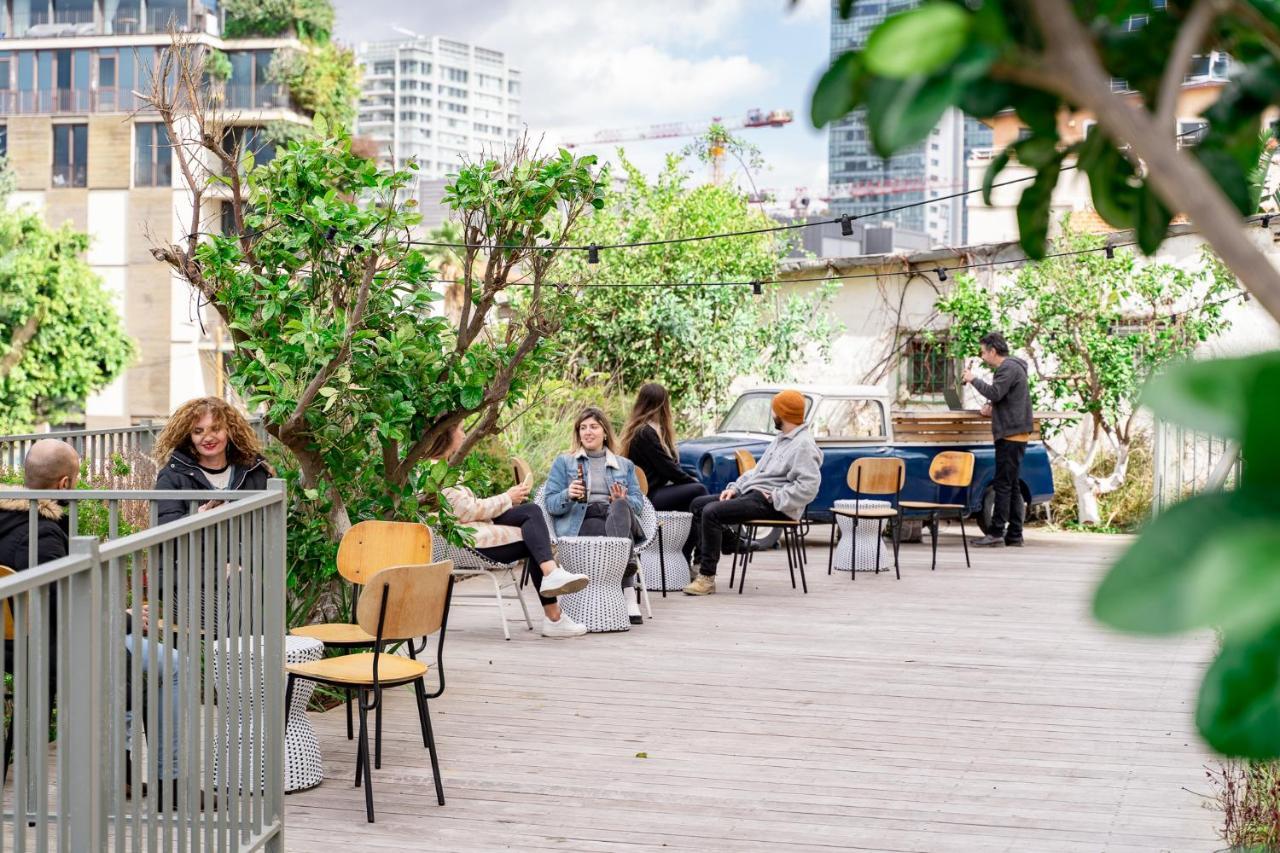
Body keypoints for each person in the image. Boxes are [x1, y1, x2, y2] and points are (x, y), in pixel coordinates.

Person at [0, 440, 184, 805]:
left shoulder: (8, 519)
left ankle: (124, 772)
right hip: (49, 649)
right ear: (65, 485)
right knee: (172, 664)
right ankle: (167, 780)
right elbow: (62, 607)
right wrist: (124, 618)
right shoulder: (43, 534)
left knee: (126, 654)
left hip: (12, 646)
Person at [430, 423, 591, 638]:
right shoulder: (435, 472)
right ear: (446, 435)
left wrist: (508, 498)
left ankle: (553, 589)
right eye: (459, 429)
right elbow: (466, 511)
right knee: (535, 542)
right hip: (469, 542)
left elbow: (465, 509)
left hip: (473, 529)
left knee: (531, 512)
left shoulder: (440, 467)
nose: (463, 434)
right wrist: (507, 498)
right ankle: (554, 613)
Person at [683, 390, 823, 596]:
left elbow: (809, 486)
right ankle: (723, 547)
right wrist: (735, 488)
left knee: (712, 512)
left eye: (774, 411)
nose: (772, 414)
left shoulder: (803, 445)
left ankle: (707, 577)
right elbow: (757, 472)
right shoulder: (781, 438)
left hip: (775, 505)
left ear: (782, 414)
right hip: (755, 494)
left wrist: (777, 497)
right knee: (698, 504)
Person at [544, 408, 647, 623]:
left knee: (620, 508)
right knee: (610, 530)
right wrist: (568, 494)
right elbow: (551, 504)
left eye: (593, 426)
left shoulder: (625, 465)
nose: (587, 432)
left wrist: (622, 500)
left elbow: (638, 505)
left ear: (605, 432)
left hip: (614, 517)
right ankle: (628, 586)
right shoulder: (564, 462)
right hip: (582, 521)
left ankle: (627, 589)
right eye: (583, 428)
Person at [620, 383, 708, 560]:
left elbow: (670, 467)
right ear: (662, 404)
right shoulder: (645, 432)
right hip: (647, 497)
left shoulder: (648, 429)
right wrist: (693, 482)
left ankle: (691, 555)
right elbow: (668, 469)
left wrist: (689, 480)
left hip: (653, 492)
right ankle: (702, 552)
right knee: (699, 491)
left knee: (695, 503)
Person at [963, 331, 1034, 548]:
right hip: (1014, 433)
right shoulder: (1013, 368)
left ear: (993, 351)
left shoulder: (1008, 368)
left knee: (1003, 484)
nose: (983, 357)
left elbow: (995, 392)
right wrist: (992, 409)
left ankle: (995, 533)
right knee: (1011, 485)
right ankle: (1014, 535)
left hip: (1011, 434)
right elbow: (1006, 398)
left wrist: (973, 379)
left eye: (983, 352)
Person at [152, 397, 271, 524]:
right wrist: (197, 517)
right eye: (198, 431)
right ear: (189, 436)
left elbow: (270, 522)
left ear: (230, 431)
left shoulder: (254, 471)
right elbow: (164, 528)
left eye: (216, 429)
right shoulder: (171, 477)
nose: (208, 438)